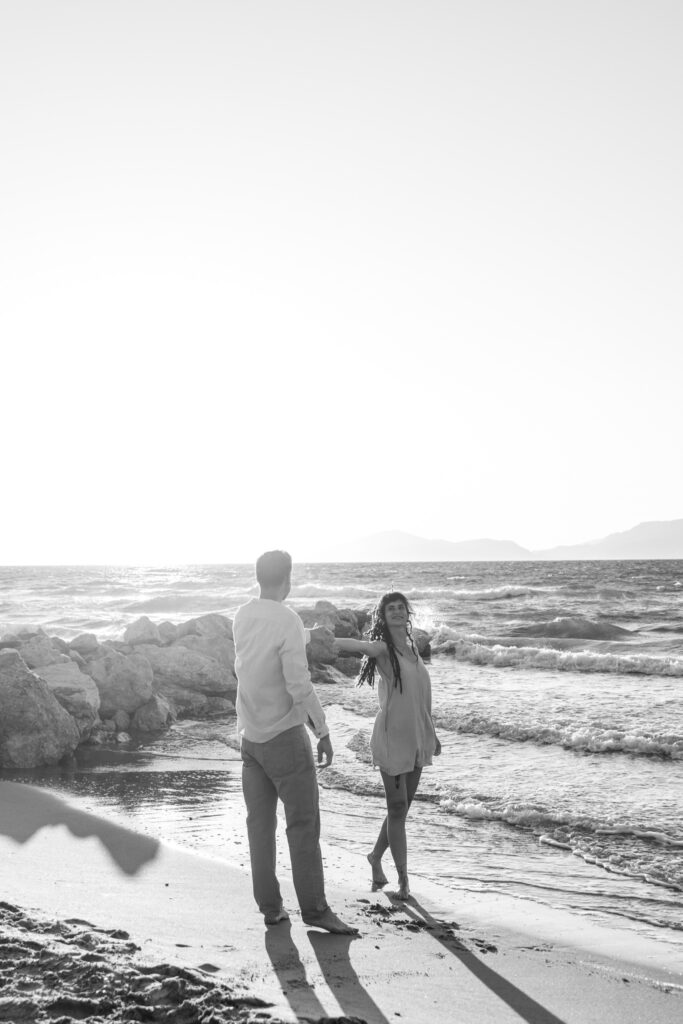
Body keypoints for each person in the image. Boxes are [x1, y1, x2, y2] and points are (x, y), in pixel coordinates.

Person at [233, 549, 357, 933]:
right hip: (285, 737)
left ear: (258, 577)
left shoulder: (242, 616)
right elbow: (298, 684)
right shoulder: (287, 619)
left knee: (260, 826)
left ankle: (271, 908)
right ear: (288, 579)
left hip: (249, 738)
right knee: (302, 825)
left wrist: (304, 635)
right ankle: (316, 911)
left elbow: (263, 652)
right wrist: (322, 729)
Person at [334, 592, 440, 900]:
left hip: (418, 737)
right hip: (392, 737)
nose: (396, 611)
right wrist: (329, 641)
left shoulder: (414, 650)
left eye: (400, 607)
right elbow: (360, 646)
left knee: (401, 809)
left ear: (408, 614)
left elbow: (422, 698)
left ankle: (375, 857)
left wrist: (433, 733)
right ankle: (404, 880)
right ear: (383, 616)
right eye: (389, 608)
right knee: (396, 807)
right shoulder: (384, 649)